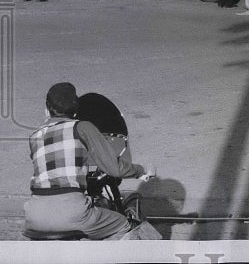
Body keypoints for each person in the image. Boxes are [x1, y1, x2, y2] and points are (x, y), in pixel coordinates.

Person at [23, 82, 152, 240]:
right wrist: (142, 171)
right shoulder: (82, 127)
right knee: (123, 224)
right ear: (76, 111)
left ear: (46, 109)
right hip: (72, 213)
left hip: (34, 217)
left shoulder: (35, 136)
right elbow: (115, 169)